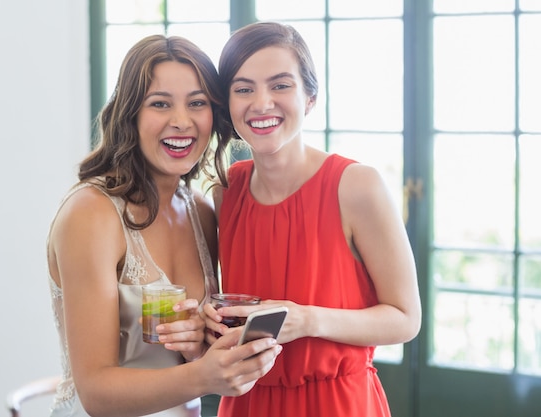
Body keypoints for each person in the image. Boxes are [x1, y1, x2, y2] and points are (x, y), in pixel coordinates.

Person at [46, 34, 282, 417]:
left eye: (197, 103)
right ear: (130, 114)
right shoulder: (90, 214)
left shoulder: (202, 211)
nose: (181, 122)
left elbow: (187, 360)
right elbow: (96, 393)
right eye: (160, 104)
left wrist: (198, 348)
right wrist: (206, 376)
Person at [204, 22, 422, 417]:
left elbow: (405, 320)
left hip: (338, 404)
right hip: (246, 403)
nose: (262, 103)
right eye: (244, 88)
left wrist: (305, 320)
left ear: (310, 98)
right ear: (227, 104)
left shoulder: (356, 186)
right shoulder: (225, 192)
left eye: (281, 85)